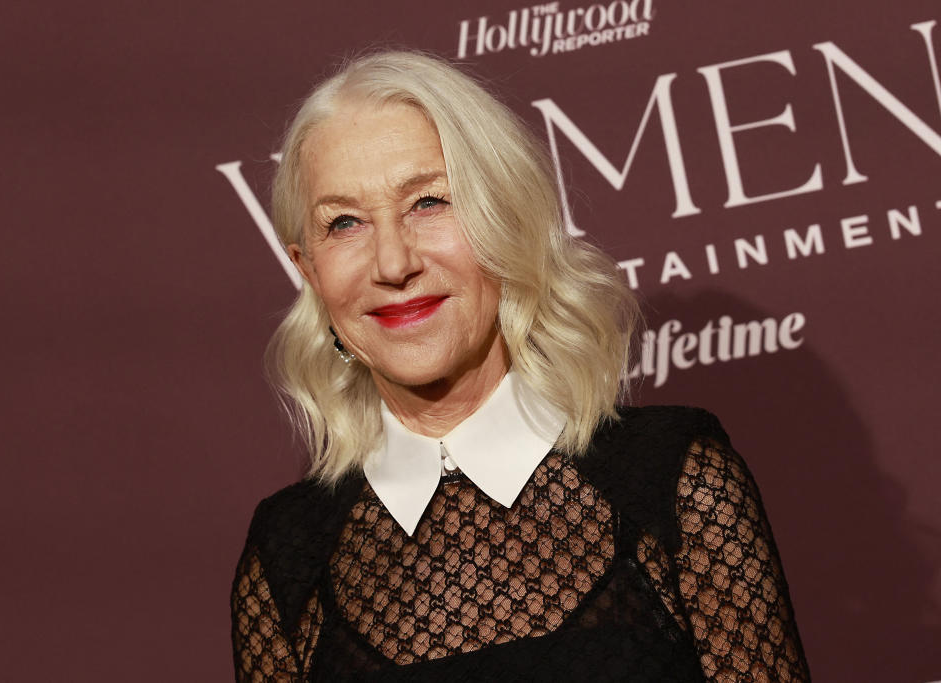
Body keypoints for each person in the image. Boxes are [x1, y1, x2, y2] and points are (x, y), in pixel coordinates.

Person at [231, 50, 811, 682]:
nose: (393, 263)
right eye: (344, 223)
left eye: (429, 202)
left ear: (504, 218)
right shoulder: (287, 555)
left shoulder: (674, 481)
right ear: (308, 270)